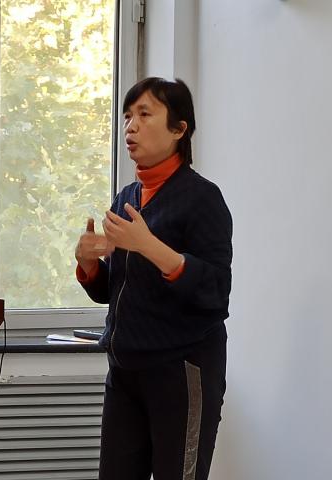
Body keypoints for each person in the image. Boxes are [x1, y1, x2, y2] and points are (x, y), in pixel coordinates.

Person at [75, 77, 232, 480]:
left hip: (180, 370)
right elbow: (120, 289)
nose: (131, 126)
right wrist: (89, 265)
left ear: (179, 129)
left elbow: (216, 291)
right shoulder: (127, 197)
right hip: (125, 371)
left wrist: (148, 245)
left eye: (145, 114)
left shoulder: (202, 198)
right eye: (128, 116)